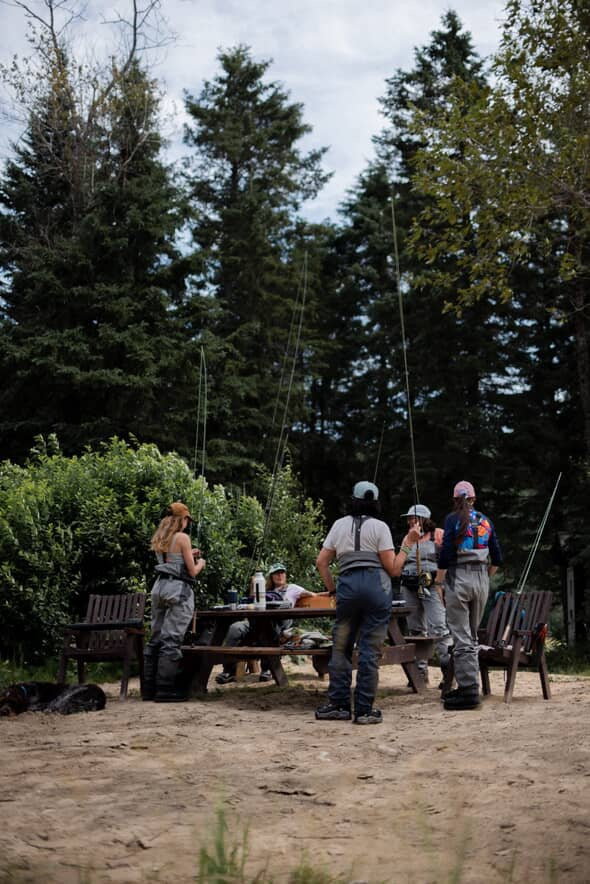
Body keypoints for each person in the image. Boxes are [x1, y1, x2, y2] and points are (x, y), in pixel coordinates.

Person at [315, 480, 421, 725]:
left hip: (348, 589)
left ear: (352, 499)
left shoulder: (339, 525)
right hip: (376, 590)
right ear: (375, 502)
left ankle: (339, 705)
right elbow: (394, 569)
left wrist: (333, 589)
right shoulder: (381, 527)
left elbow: (322, 562)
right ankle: (364, 710)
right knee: (368, 651)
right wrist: (408, 543)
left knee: (341, 648)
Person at [434, 481, 503, 710]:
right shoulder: (486, 521)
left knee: (461, 636)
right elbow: (498, 558)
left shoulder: (452, 520)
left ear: (455, 500)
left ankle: (468, 690)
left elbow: (444, 558)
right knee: (472, 635)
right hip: (481, 579)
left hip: (458, 579)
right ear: (474, 498)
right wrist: (484, 577)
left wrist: (439, 583)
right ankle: (470, 686)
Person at [215, 563, 321, 684]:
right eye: (276, 573)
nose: (280, 575)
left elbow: (314, 596)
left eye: (282, 572)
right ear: (271, 576)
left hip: (279, 625)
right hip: (256, 621)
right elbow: (252, 602)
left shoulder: (292, 588)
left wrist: (328, 594)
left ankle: (267, 668)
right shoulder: (263, 589)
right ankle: (228, 670)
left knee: (268, 628)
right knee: (235, 628)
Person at [143, 502, 206, 702]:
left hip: (159, 588)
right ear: (182, 519)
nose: (188, 523)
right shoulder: (182, 537)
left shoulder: (160, 537)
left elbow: (171, 559)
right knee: (171, 639)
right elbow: (192, 572)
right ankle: (165, 690)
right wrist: (201, 562)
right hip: (178, 591)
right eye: (187, 519)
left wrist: (189, 553)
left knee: (156, 638)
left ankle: (148, 690)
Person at [399, 504, 452, 689]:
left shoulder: (438, 534)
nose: (409, 521)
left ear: (423, 519)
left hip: (432, 585)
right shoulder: (408, 538)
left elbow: (448, 558)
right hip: (409, 585)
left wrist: (442, 582)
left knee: (439, 628)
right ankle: (420, 673)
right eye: (408, 518)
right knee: (415, 629)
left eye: (413, 518)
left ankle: (448, 671)